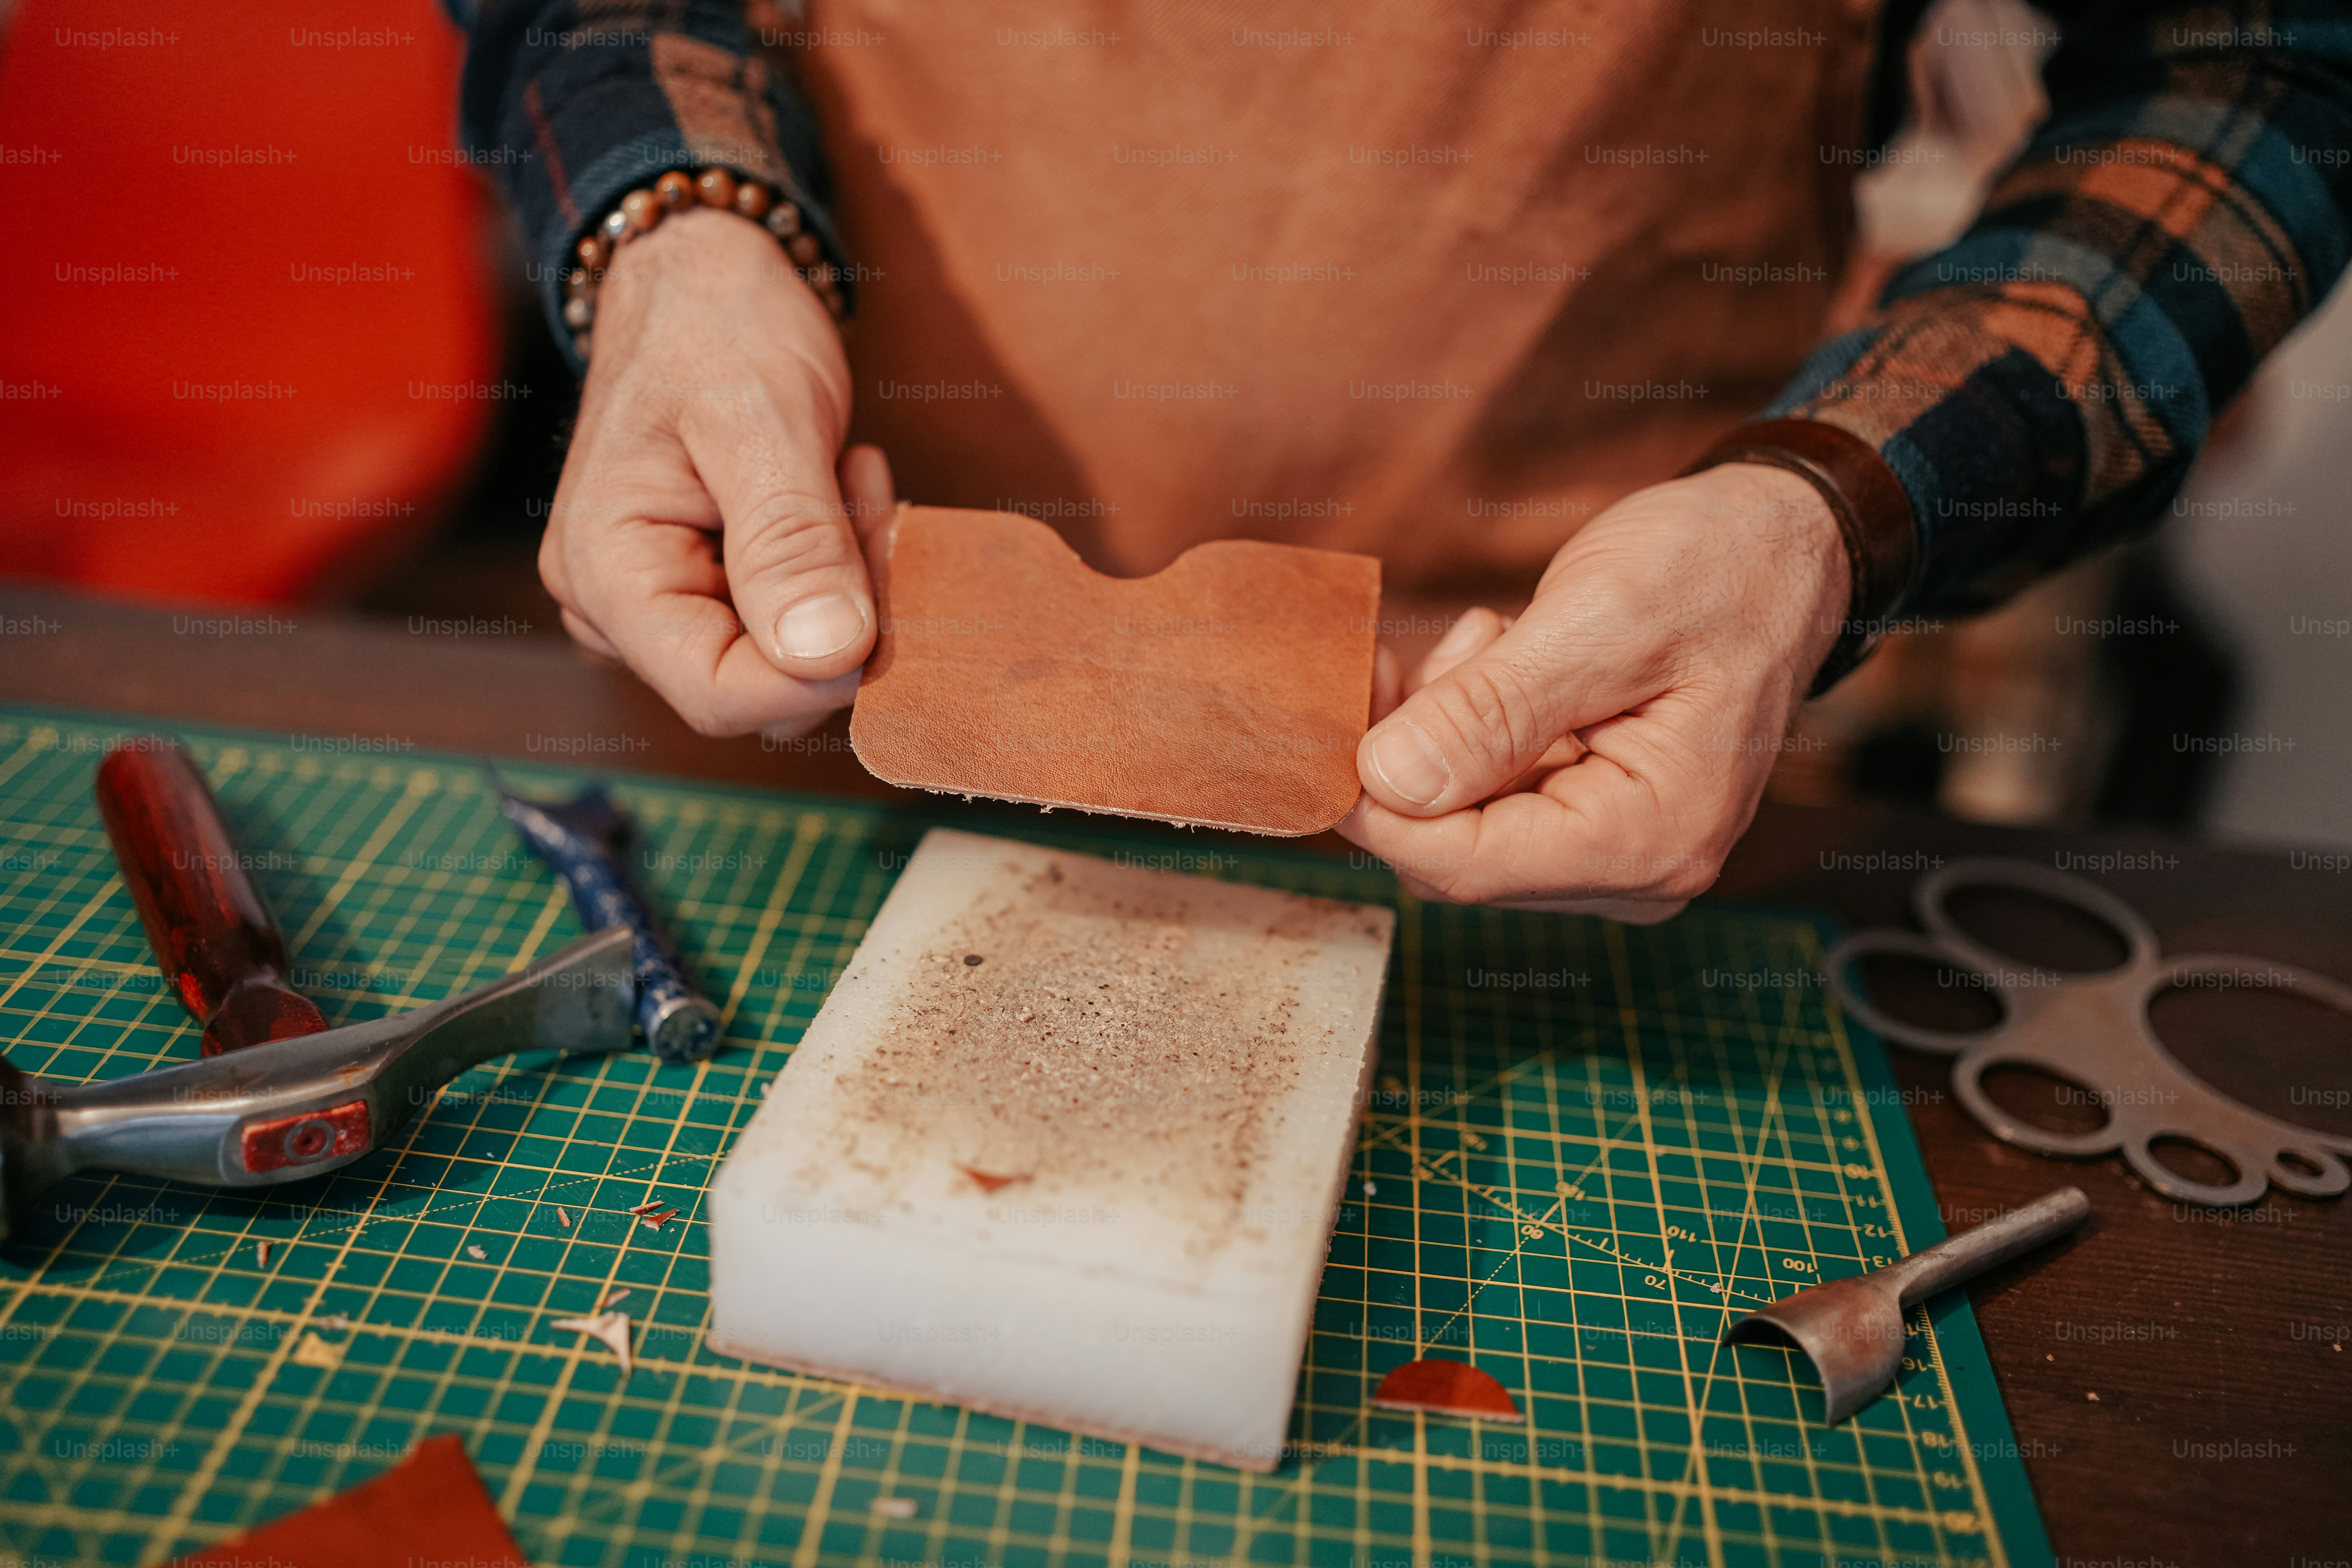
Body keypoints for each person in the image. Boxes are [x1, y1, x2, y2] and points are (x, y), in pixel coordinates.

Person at [453, 1, 2352, 920]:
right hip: (822, 697)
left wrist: (1838, 507)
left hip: (1571, 773)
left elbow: (2262, 62)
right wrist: (674, 224)